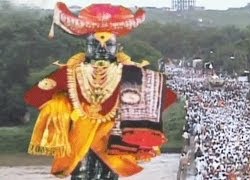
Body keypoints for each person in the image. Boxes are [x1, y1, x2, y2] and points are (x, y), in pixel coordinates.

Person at [24, 2, 176, 179]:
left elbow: (165, 97)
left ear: (118, 48)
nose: (101, 49)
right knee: (80, 174)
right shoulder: (71, 71)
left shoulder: (131, 74)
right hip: (79, 135)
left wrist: (133, 112)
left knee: (108, 175)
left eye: (108, 44)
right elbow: (34, 96)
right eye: (94, 44)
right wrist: (61, 105)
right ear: (86, 47)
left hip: (111, 137)